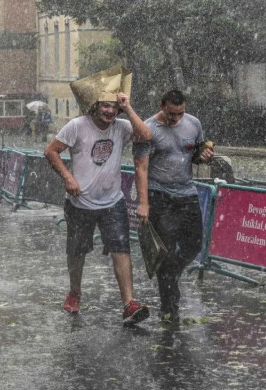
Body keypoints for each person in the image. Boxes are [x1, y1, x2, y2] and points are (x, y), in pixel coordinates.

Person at [44, 65, 153, 325]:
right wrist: (68, 177)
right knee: (77, 252)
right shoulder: (76, 126)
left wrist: (128, 108)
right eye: (105, 106)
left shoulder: (123, 126)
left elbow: (146, 135)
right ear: (94, 105)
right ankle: (75, 292)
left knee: (121, 249)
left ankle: (128, 304)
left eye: (114, 107)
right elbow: (51, 151)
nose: (109, 111)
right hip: (80, 203)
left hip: (112, 201)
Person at [133, 89, 214, 323]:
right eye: (171, 114)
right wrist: (144, 203)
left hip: (187, 192)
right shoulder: (147, 129)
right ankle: (170, 307)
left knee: (195, 244)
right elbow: (141, 168)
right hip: (160, 194)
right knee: (165, 251)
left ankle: (170, 274)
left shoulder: (194, 124)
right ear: (161, 106)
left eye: (180, 113)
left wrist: (204, 155)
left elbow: (195, 154)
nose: (175, 119)